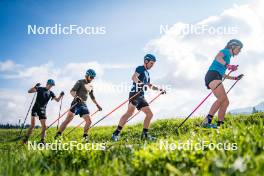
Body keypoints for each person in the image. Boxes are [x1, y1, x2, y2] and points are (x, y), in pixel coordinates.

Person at [112, 54, 166, 141]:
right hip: (135, 93)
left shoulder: (147, 73)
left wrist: (160, 89)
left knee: (149, 114)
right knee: (129, 113)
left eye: (153, 64)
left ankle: (144, 135)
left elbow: (150, 85)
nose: (152, 65)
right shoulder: (140, 68)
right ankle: (116, 134)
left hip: (141, 96)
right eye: (151, 63)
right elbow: (134, 77)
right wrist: (140, 82)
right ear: (146, 61)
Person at [202, 39, 244, 128]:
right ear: (233, 47)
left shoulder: (227, 58)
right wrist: (228, 66)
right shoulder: (225, 52)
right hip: (213, 75)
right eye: (239, 49)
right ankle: (206, 122)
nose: (239, 51)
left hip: (216, 75)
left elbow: (222, 73)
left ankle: (219, 124)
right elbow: (217, 57)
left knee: (225, 101)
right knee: (222, 98)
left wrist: (235, 78)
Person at [55, 69, 102, 141]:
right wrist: (76, 97)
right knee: (68, 120)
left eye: (93, 77)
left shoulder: (90, 86)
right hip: (76, 103)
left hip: (83, 105)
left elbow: (92, 97)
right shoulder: (80, 82)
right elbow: (72, 91)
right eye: (91, 77)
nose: (92, 79)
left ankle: (85, 137)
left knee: (89, 121)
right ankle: (58, 135)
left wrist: (97, 105)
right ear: (87, 75)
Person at [23, 79, 64, 144]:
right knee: (33, 125)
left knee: (44, 126)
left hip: (42, 110)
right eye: (50, 85)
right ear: (47, 84)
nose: (51, 86)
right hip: (35, 108)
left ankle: (42, 141)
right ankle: (25, 140)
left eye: (52, 86)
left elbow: (57, 100)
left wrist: (61, 95)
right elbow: (29, 91)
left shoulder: (51, 93)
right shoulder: (40, 88)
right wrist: (35, 87)